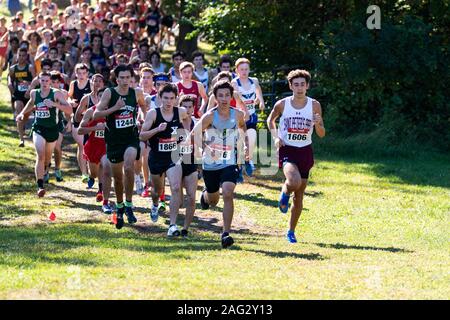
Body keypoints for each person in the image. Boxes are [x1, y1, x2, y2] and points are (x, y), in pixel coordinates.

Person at [266, 69, 326, 243]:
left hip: (305, 150)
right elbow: (270, 120)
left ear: (307, 86)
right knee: (294, 182)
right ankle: (284, 192)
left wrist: (318, 124)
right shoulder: (282, 104)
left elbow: (321, 133)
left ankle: (291, 231)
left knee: (299, 195)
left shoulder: (314, 105)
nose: (299, 88)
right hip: (288, 149)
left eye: (302, 84)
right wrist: (276, 138)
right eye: (296, 84)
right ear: (290, 86)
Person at [190, 80, 249, 248]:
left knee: (228, 192)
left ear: (231, 97)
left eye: (227, 95)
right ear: (215, 98)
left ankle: (226, 233)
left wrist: (244, 144)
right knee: (214, 200)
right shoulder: (209, 116)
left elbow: (242, 128)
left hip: (230, 160)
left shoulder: (237, 114)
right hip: (211, 163)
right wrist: (206, 148)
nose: (224, 99)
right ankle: (206, 195)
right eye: (220, 96)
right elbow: (195, 135)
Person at [93, 64, 147, 229]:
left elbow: (144, 107)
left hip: (130, 137)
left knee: (129, 166)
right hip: (114, 140)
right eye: (121, 78)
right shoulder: (110, 92)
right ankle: (120, 205)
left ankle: (129, 205)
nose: (125, 81)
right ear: (117, 79)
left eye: (128, 77)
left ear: (132, 78)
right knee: (117, 177)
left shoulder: (136, 92)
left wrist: (142, 119)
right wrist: (115, 108)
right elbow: (96, 114)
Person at [139, 83, 189, 237]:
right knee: (157, 191)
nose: (168, 102)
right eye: (166, 98)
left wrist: (184, 135)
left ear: (176, 99)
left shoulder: (180, 112)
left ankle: (172, 225)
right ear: (159, 98)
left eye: (172, 98)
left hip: (174, 156)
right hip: (156, 158)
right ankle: (155, 204)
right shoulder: (153, 114)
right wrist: (157, 130)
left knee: (175, 188)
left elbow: (187, 121)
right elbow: (142, 135)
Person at [15, 71, 71, 197]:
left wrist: (55, 104)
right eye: (42, 80)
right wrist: (22, 113)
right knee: (40, 155)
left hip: (52, 130)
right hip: (38, 128)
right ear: (39, 81)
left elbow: (69, 109)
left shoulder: (56, 94)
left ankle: (46, 169)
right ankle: (40, 186)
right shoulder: (35, 93)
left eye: (47, 81)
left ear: (50, 81)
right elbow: (31, 103)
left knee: (46, 158)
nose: (45, 83)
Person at [78, 84, 114, 214]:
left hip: (107, 147)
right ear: (97, 98)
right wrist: (95, 128)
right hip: (92, 147)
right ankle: (93, 178)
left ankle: (105, 201)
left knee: (106, 168)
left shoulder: (113, 113)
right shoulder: (90, 112)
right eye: (100, 96)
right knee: (94, 172)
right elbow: (80, 130)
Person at [231, 58, 265, 177]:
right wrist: (245, 110)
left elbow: (258, 90)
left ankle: (248, 160)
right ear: (237, 70)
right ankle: (238, 168)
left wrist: (260, 101)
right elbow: (238, 99)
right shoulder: (234, 83)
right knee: (239, 142)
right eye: (241, 69)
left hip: (252, 115)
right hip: (240, 116)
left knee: (251, 139)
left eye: (246, 69)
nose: (244, 72)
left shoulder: (254, 80)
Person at [178, 95, 199, 237]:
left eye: (190, 106)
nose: (187, 109)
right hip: (176, 162)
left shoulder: (197, 123)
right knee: (179, 201)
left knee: (191, 197)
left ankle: (185, 228)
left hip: (191, 162)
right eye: (184, 106)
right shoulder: (174, 122)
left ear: (193, 108)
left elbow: (200, 144)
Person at [68, 63, 91, 182]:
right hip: (76, 119)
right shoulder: (73, 84)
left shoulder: (91, 84)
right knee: (81, 145)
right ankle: (84, 173)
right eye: (79, 73)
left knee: (89, 145)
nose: (81, 76)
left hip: (89, 119)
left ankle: (91, 170)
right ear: (76, 73)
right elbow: (68, 97)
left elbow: (96, 98)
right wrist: (71, 102)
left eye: (84, 73)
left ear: (87, 73)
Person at [8, 47, 35, 147]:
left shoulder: (30, 67)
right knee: (19, 112)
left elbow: (35, 80)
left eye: (23, 55)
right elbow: (10, 79)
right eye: (20, 55)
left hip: (28, 95)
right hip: (18, 94)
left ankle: (22, 127)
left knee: (26, 116)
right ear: (16, 56)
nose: (21, 57)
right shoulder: (13, 68)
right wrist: (10, 84)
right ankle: (21, 139)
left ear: (26, 56)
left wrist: (28, 84)